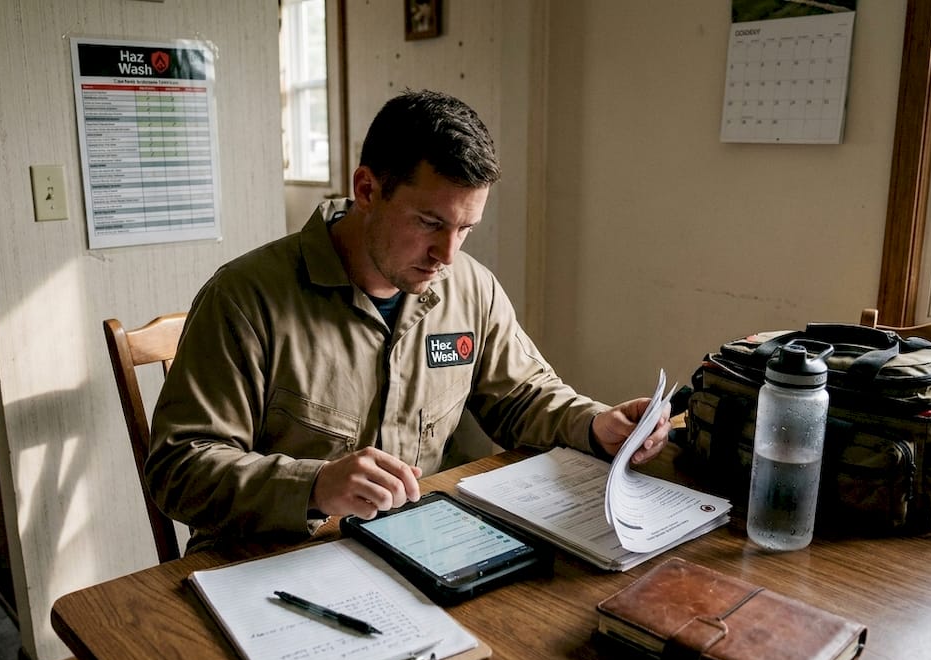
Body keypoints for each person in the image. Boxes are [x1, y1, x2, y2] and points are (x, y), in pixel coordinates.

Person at [146, 89, 669, 554]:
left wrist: (595, 424)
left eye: (466, 228)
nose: (447, 252)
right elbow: (178, 468)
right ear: (367, 189)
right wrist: (313, 486)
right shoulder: (244, 298)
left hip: (419, 547)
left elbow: (522, 396)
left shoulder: (471, 287)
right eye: (430, 223)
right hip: (266, 563)